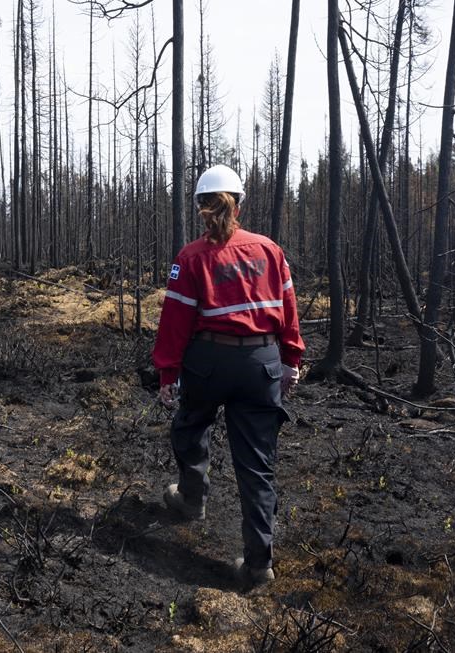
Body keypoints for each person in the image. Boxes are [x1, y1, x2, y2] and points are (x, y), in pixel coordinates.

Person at [152, 164, 304, 588]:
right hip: (262, 364)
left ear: (201, 205)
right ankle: (258, 565)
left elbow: (175, 322)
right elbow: (288, 313)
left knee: (190, 423)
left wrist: (169, 373)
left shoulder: (191, 257)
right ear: (240, 203)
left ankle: (191, 498)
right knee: (257, 465)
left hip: (209, 362)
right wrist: (291, 361)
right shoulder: (270, 251)